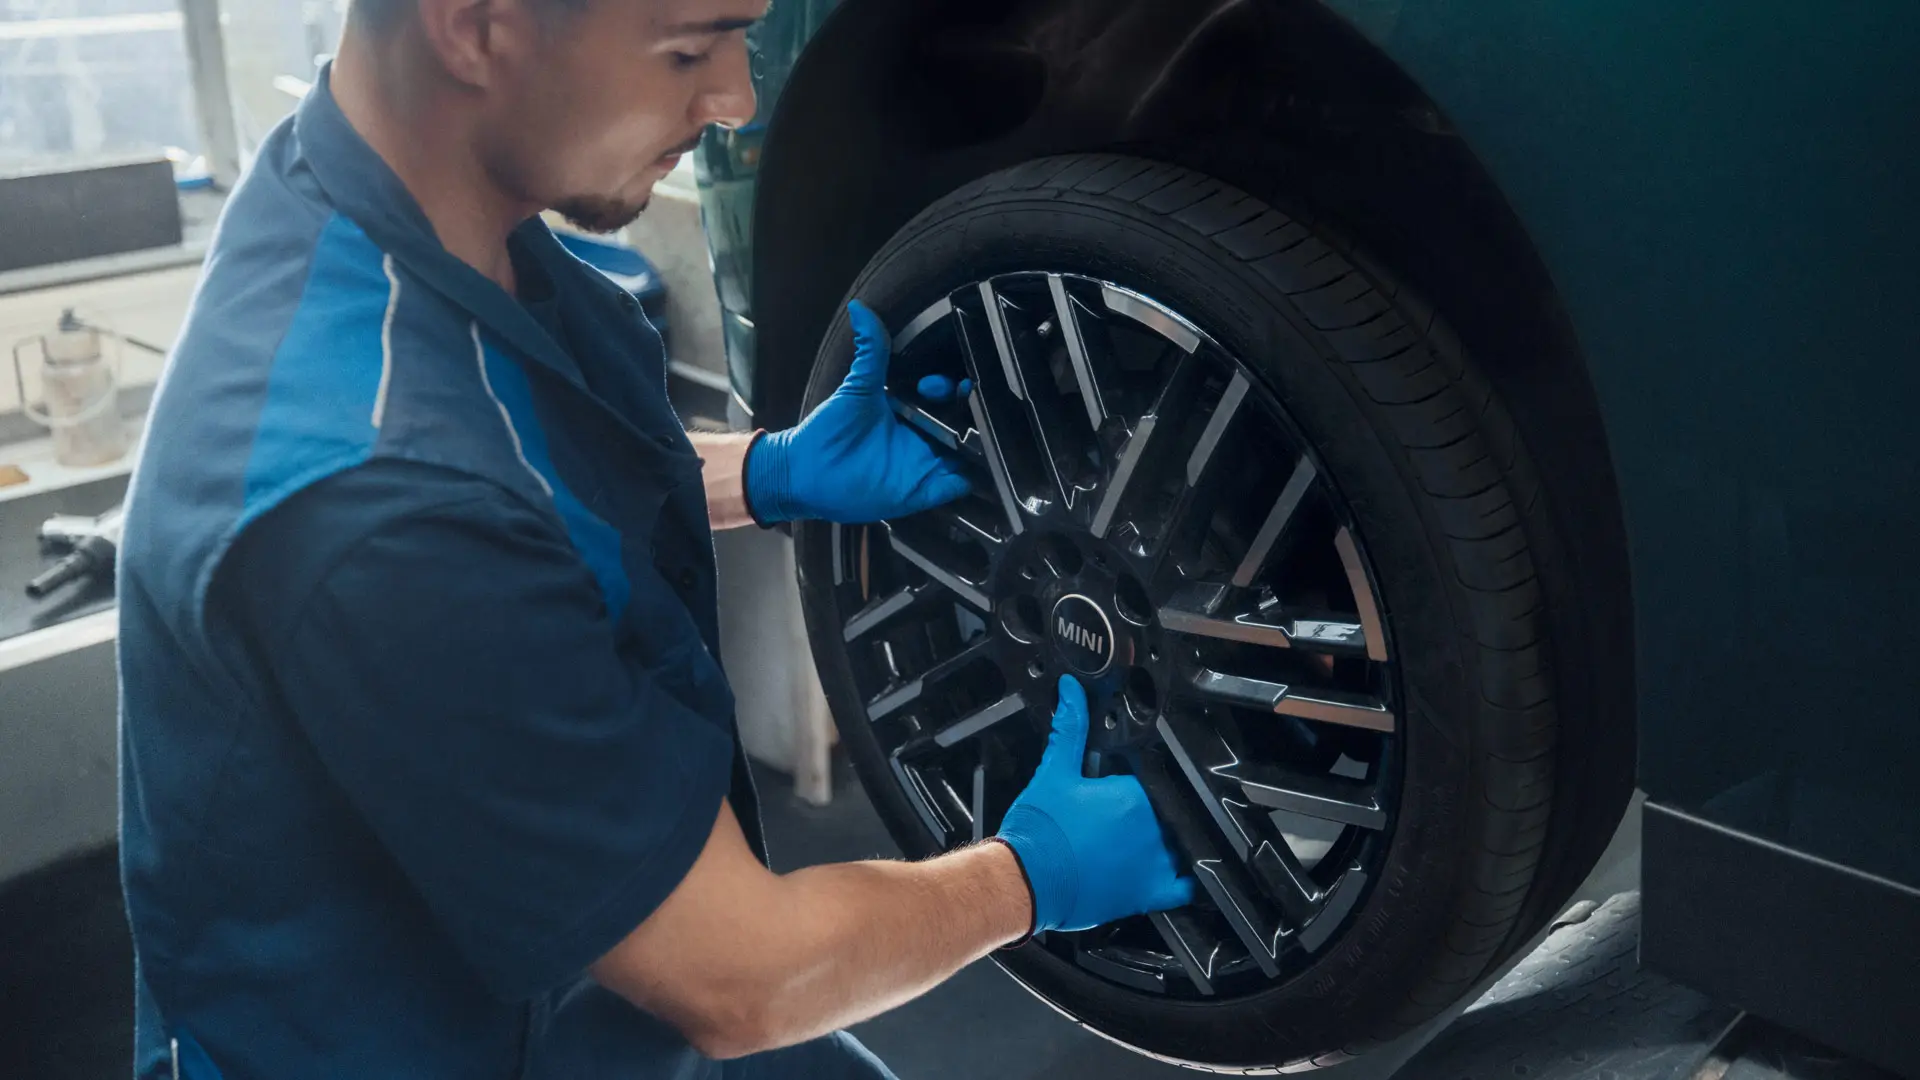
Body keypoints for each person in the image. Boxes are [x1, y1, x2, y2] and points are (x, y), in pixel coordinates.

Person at [115, 0, 1194, 1076]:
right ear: (472, 26)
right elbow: (743, 981)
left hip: (578, 984)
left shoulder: (406, 205)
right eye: (688, 46)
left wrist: (768, 471)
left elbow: (519, 466)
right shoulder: (376, 508)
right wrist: (1030, 875)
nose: (737, 97)